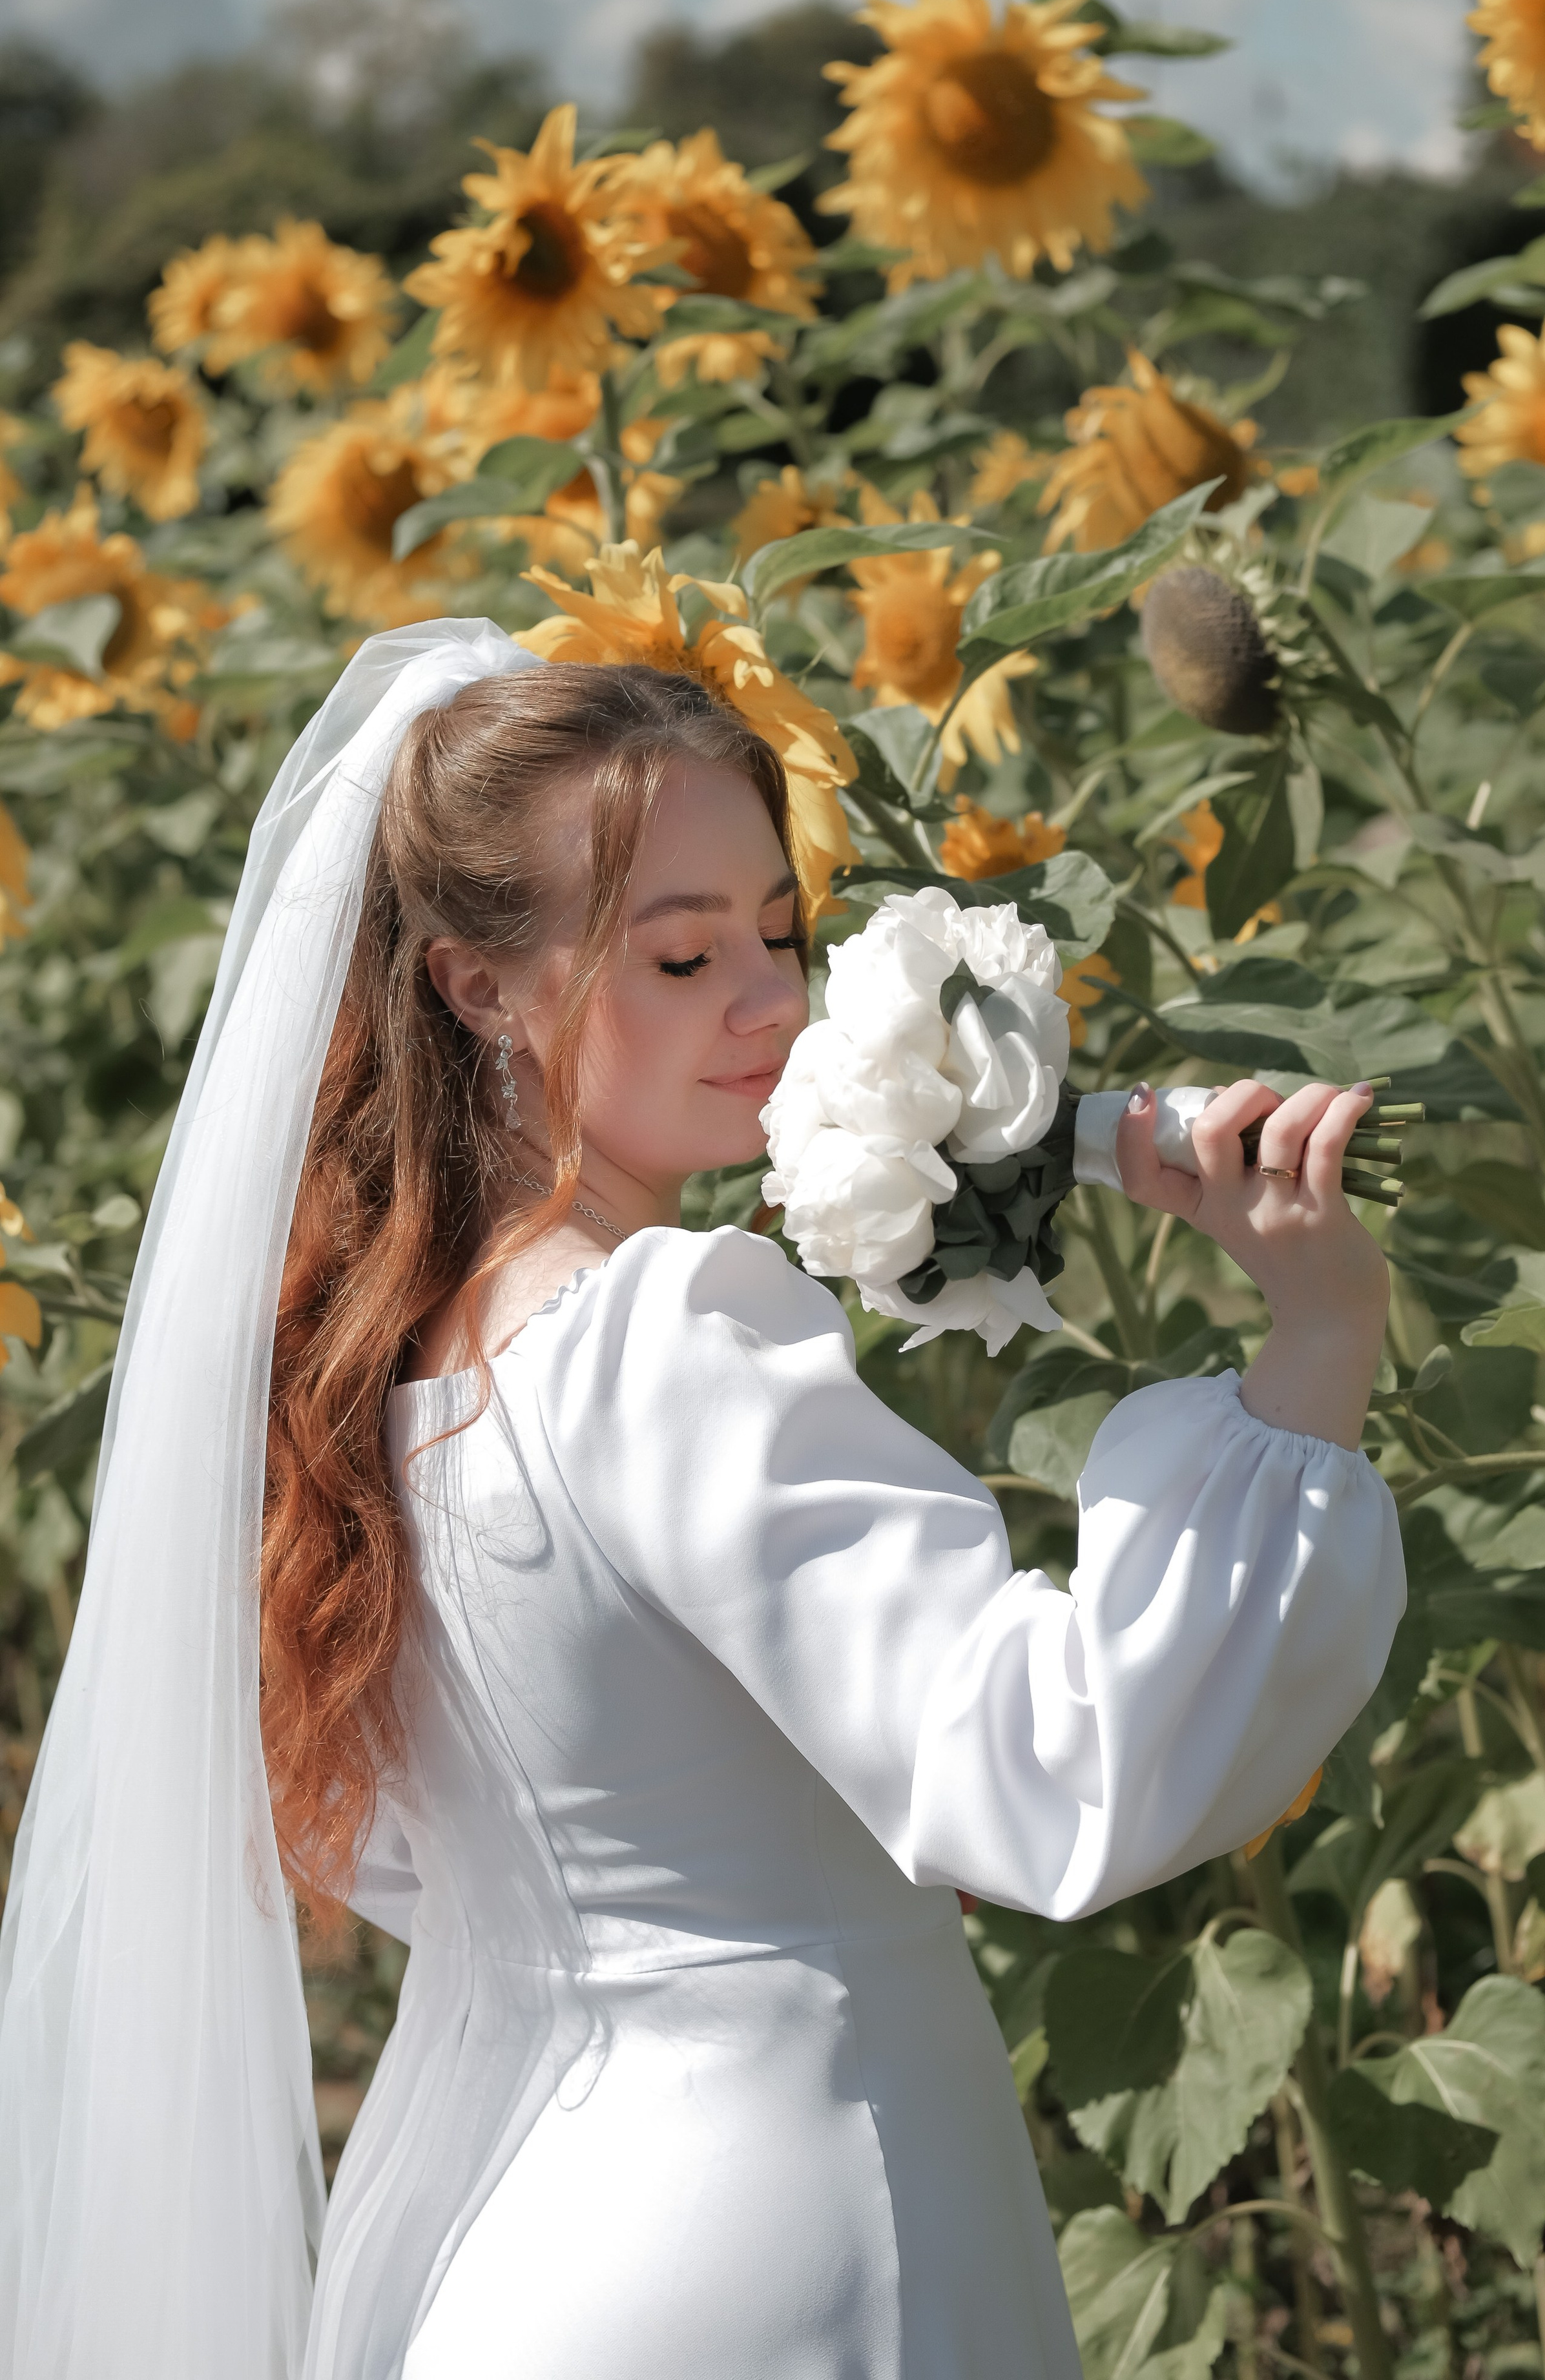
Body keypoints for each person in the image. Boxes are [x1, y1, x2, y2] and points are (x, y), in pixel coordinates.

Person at [0, 623, 1404, 2380]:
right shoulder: (663, 1337)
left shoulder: (395, 1359)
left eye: (777, 933)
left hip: (501, 2242)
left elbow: (413, 1827)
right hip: (794, 2224)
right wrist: (1322, 1337)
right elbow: (1057, 1767)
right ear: (475, 987)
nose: (766, 1001)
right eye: (678, 955)